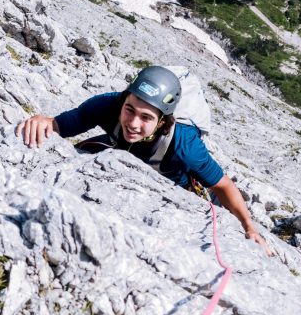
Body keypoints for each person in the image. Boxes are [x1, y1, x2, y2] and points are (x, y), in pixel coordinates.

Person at [16, 66, 274, 257]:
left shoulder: (184, 146)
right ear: (123, 100)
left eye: (146, 117)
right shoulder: (106, 105)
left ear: (163, 121)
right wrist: (43, 120)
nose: (133, 123)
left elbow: (223, 185)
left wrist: (249, 227)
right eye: (129, 110)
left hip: (173, 180)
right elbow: (61, 124)